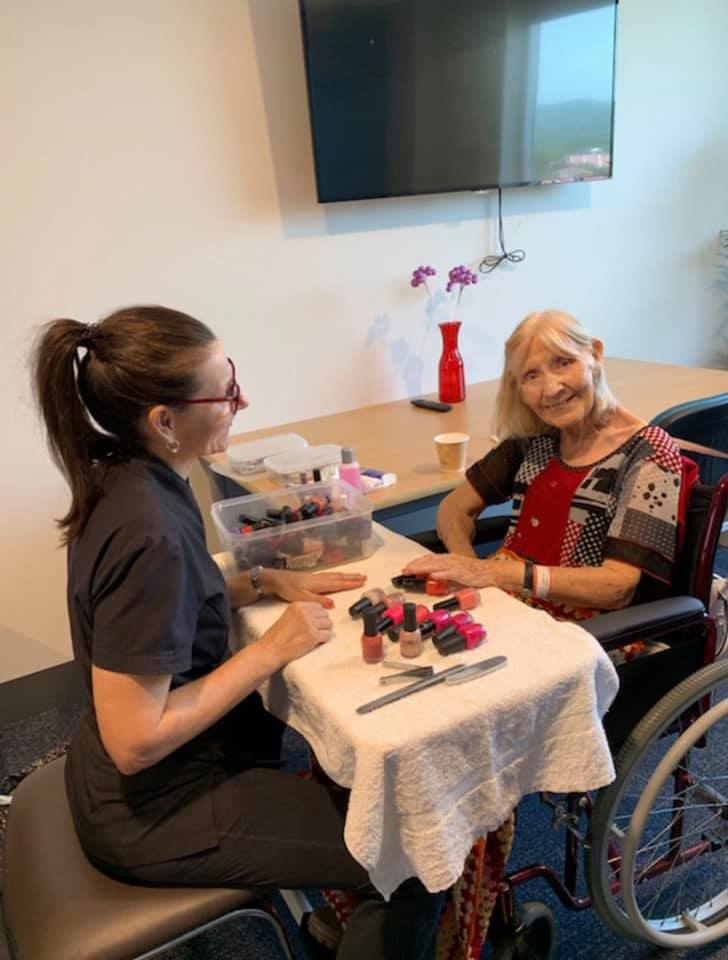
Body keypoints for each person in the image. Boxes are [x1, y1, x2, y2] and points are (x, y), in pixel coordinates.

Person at [31, 305, 445, 960]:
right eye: (225, 392)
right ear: (164, 421)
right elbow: (135, 740)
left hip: (130, 778)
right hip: (155, 810)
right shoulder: (151, 532)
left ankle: (344, 922)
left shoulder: (128, 475)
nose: (241, 399)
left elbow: (157, 601)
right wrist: (271, 650)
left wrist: (259, 581)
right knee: (419, 856)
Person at [403, 309, 683, 639]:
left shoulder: (649, 452)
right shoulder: (537, 437)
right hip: (506, 608)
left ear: (595, 354)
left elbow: (617, 587)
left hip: (587, 635)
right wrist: (471, 569)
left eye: (563, 362)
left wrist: (500, 574)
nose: (550, 389)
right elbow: (453, 509)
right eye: (531, 376)